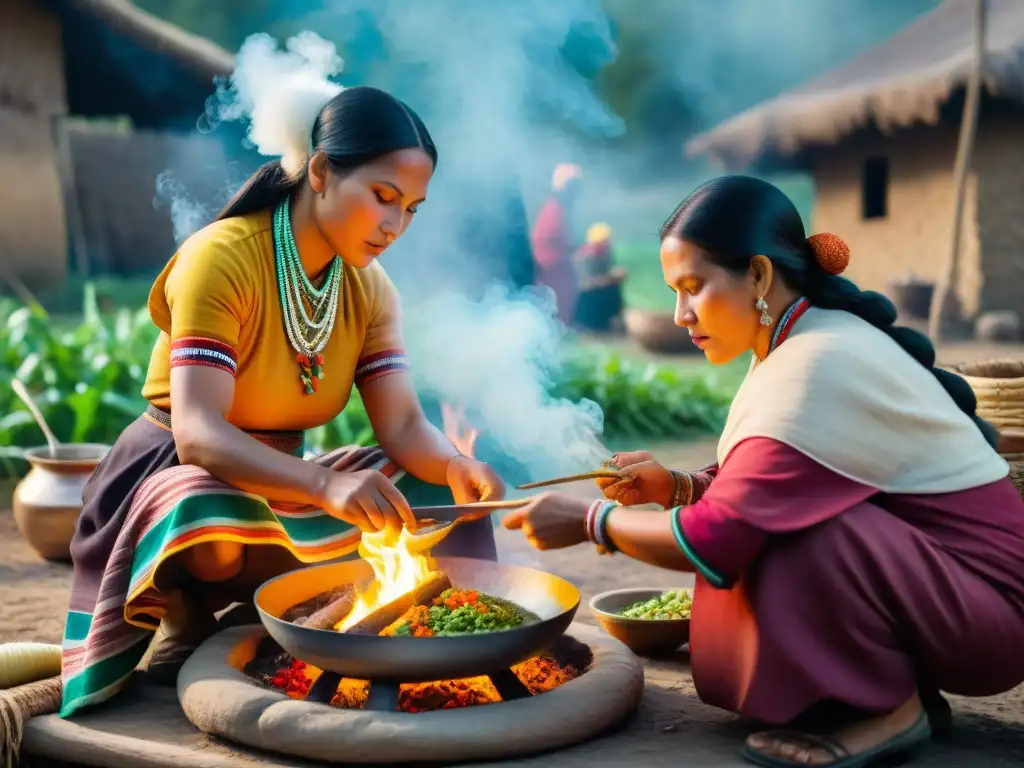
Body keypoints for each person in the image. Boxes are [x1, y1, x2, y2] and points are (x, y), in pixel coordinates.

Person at [502, 176, 1024, 767]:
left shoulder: (816, 361)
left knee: (790, 533)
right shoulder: (797, 341)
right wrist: (678, 486)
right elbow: (778, 478)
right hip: (945, 589)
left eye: (693, 287)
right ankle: (880, 689)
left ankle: (888, 712)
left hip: (989, 615)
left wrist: (595, 520)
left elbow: (715, 537)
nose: (679, 314)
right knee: (783, 522)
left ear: (758, 276)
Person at [60, 85, 505, 717]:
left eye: (412, 209)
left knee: (431, 493)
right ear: (320, 172)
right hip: (177, 474)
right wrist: (325, 488)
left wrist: (455, 466)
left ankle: (296, 615)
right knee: (205, 510)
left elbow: (403, 423)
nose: (395, 225)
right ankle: (188, 613)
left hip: (285, 480)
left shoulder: (370, 288)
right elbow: (200, 436)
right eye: (383, 198)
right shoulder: (222, 258)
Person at [530, 163, 583, 325]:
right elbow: (550, 239)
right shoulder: (553, 209)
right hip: (551, 268)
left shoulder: (558, 207)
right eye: (572, 186)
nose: (575, 192)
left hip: (556, 265)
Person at [572, 222, 626, 332]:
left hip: (599, 288)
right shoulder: (586, 256)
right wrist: (610, 278)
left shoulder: (605, 253)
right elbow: (586, 283)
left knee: (614, 288)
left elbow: (606, 272)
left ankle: (611, 321)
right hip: (587, 295)